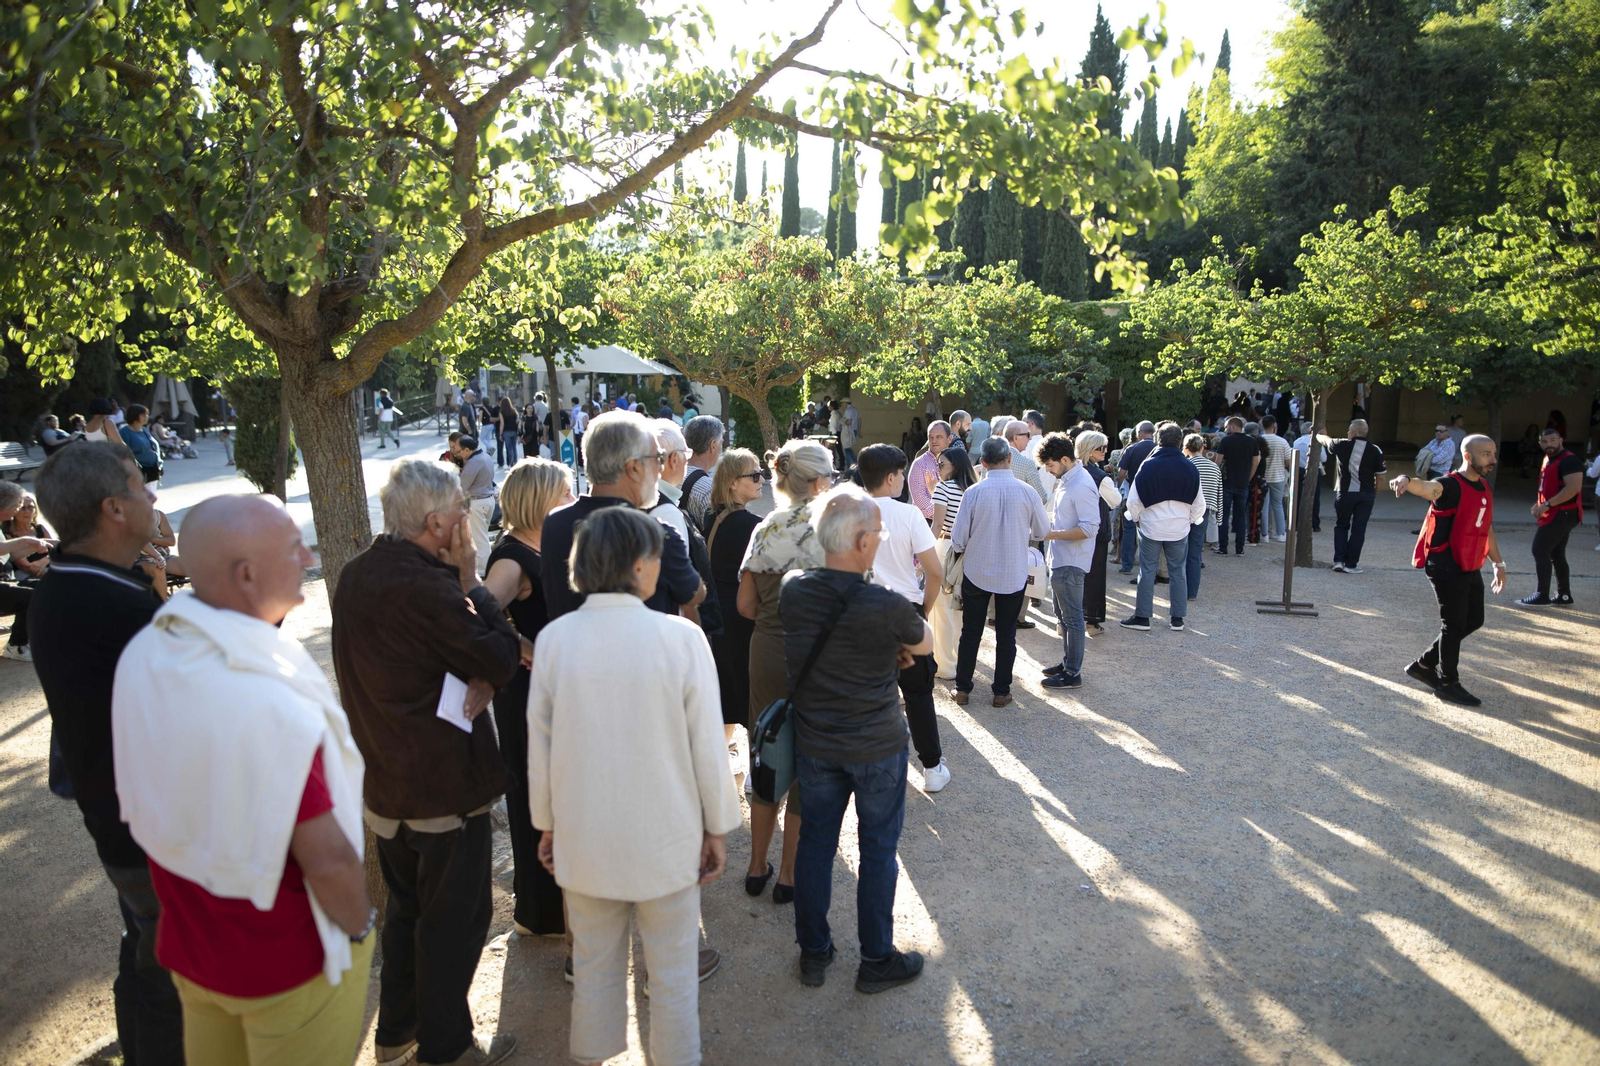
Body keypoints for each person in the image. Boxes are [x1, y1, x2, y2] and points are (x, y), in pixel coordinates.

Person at [113, 495, 374, 1066]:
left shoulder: (150, 652)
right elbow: (327, 858)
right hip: (287, 963)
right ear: (247, 574)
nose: (307, 554)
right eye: (292, 548)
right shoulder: (259, 697)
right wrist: (360, 929)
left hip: (192, 947)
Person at [528, 507, 740, 1066]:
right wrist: (718, 825)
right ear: (644, 566)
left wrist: (546, 824)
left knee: (595, 972)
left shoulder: (553, 641)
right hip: (668, 836)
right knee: (672, 976)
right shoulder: (682, 639)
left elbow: (541, 747)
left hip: (584, 833)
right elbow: (706, 747)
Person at [331, 459, 522, 1066]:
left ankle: (397, 1035)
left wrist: (479, 668)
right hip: (440, 785)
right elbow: (498, 657)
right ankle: (446, 1048)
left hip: (388, 782)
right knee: (455, 920)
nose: (468, 523)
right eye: (462, 515)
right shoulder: (432, 585)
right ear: (437, 523)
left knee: (410, 912)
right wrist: (470, 583)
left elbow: (432, 659)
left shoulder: (359, 571)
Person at [28, 442, 184, 1063]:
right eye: (139, 486)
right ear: (114, 509)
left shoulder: (69, 580)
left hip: (121, 824)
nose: (152, 495)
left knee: (148, 960)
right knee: (177, 984)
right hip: (154, 836)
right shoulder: (115, 607)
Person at [781, 486, 932, 993]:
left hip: (818, 742)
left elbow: (826, 645)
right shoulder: (884, 604)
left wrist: (886, 649)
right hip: (876, 744)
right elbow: (924, 642)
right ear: (865, 542)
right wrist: (892, 651)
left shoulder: (793, 590)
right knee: (878, 850)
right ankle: (876, 959)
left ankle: (813, 951)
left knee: (815, 845)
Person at [482, 458, 574, 940]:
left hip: (547, 691)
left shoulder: (540, 544)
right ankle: (540, 914)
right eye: (564, 492)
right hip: (527, 696)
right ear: (539, 498)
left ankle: (554, 908)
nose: (572, 499)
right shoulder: (512, 555)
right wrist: (519, 645)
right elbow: (477, 610)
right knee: (537, 795)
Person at [737, 440, 833, 901]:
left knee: (767, 752)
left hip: (769, 648)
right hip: (820, 656)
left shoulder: (765, 527)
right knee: (808, 761)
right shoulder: (837, 528)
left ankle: (756, 866)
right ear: (817, 481)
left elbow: (745, 605)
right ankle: (790, 874)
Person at [540, 412, 705, 624]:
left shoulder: (553, 523)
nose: (661, 467)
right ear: (634, 468)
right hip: (640, 654)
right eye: (657, 458)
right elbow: (695, 594)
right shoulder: (656, 534)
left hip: (567, 653)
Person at [858, 445, 949, 794]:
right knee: (917, 692)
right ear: (893, 477)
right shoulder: (909, 515)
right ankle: (932, 767)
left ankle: (870, 768)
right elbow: (935, 572)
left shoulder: (847, 513)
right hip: (904, 610)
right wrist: (923, 610)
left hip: (862, 611)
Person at [1391, 435, 1507, 707]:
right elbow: (1428, 487)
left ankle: (1423, 666)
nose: (1493, 459)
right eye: (1486, 454)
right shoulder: (1450, 485)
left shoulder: (1484, 488)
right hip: (1445, 564)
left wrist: (1498, 563)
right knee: (1453, 625)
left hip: (1469, 561)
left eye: (1493, 453)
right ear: (1469, 456)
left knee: (1474, 620)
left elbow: (1485, 527)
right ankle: (1447, 683)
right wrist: (1407, 481)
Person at [949, 437, 1049, 708]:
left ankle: (962, 688)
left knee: (971, 632)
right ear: (1009, 459)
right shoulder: (1028, 492)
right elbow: (1042, 531)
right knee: (1006, 634)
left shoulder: (973, 493)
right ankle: (1001, 691)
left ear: (982, 463)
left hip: (977, 570)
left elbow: (958, 540)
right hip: (1012, 571)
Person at [704, 448, 765, 750]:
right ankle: (757, 772)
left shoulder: (710, 516)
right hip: (742, 617)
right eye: (753, 475)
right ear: (732, 483)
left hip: (717, 615)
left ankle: (717, 760)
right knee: (752, 697)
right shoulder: (751, 525)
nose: (761, 478)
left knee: (725, 694)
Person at [1122, 424, 1205, 632]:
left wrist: (1137, 518)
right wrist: (1190, 519)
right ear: (1180, 442)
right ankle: (1177, 618)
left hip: (1151, 526)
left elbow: (1133, 500)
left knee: (1147, 570)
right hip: (1179, 527)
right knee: (1178, 571)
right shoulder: (1190, 467)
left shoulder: (1148, 465)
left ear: (1158, 440)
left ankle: (1142, 617)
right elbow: (1199, 503)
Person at [1037, 433, 1099, 688]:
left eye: (1050, 466)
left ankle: (1073, 672)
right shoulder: (1068, 480)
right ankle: (1067, 663)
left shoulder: (1081, 484)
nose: (1049, 471)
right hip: (1062, 557)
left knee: (1072, 618)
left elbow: (1090, 528)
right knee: (1063, 616)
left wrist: (1051, 533)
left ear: (1064, 459)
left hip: (1072, 560)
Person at [649, 419, 722, 635]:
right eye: (685, 456)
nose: (687, 462)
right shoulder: (665, 513)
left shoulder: (656, 502)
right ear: (673, 460)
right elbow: (680, 587)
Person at [1515, 427, 1584, 607]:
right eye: (1545, 442)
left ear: (1560, 440)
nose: (1549, 444)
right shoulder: (1549, 459)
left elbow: (1573, 488)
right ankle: (1564, 595)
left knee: (1540, 550)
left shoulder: (1570, 460)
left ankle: (1542, 595)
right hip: (1558, 511)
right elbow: (1549, 486)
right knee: (1556, 553)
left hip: (1564, 513)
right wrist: (1540, 503)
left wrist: (1547, 504)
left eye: (1552, 440)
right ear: (1540, 443)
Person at [928, 444, 976, 678]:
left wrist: (921, 554)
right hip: (971, 550)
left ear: (953, 465)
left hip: (946, 547)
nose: (938, 467)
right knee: (961, 609)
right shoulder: (974, 488)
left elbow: (937, 526)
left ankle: (946, 665)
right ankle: (961, 662)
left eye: (941, 463)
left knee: (942, 608)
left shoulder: (943, 488)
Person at [1329, 419, 1386, 574]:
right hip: (1366, 494)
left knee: (1341, 526)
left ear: (1352, 432)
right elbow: (1380, 477)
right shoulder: (1375, 450)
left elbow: (1325, 440)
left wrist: (1319, 434)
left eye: (1349, 430)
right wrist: (1376, 492)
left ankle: (1339, 561)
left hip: (1345, 492)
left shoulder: (1341, 444)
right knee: (1359, 530)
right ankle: (1351, 564)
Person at [1075, 432, 1116, 630]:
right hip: (1096, 530)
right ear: (1090, 450)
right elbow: (1115, 500)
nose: (1104, 451)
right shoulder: (1100, 477)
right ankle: (1090, 620)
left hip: (1072, 528)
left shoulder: (1071, 470)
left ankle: (1067, 619)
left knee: (1071, 574)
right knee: (1094, 576)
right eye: (1101, 448)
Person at [1213, 416, 1258, 557]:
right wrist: (1248, 478)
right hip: (1243, 482)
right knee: (1240, 516)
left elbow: (1218, 462)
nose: (1225, 429)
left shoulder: (1226, 440)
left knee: (1223, 516)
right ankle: (1240, 548)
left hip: (1227, 482)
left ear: (1232, 426)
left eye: (1226, 427)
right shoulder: (1252, 441)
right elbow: (1255, 462)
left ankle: (1223, 547)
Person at [1184, 433, 1221, 603]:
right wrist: (1219, 518)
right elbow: (1218, 494)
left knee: (1180, 549)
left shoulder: (1186, 464)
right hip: (1204, 511)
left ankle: (1180, 588)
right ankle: (1192, 592)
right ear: (1202, 447)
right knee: (1195, 550)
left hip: (1185, 510)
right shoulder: (1214, 467)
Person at [1116, 422, 1157, 574]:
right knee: (1151, 529)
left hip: (1134, 492)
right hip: (1154, 494)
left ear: (1139, 433)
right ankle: (1149, 566)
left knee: (1129, 528)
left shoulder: (1132, 449)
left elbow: (1121, 474)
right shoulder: (1157, 449)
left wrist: (1121, 486)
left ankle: (1127, 565)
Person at [455, 435, 498, 574]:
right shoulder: (486, 456)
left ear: (467, 450)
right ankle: (484, 568)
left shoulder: (474, 462)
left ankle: (482, 570)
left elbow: (462, 485)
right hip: (487, 500)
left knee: (480, 539)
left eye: (460, 451)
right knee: (482, 536)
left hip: (478, 503)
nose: (458, 454)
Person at [681, 415, 725, 530]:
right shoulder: (710, 488)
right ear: (713, 445)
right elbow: (716, 536)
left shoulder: (672, 475)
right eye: (721, 443)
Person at [1257, 415, 1292, 542]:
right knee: (1277, 505)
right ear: (1274, 426)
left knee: (1264, 507)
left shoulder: (1259, 440)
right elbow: (1288, 461)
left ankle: (1264, 535)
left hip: (1263, 477)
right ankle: (1281, 533)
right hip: (1278, 476)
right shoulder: (1282, 442)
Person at [908, 420, 952, 521]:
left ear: (950, 438)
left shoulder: (957, 461)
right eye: (931, 437)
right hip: (927, 523)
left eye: (938, 437)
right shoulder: (920, 464)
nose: (934, 441)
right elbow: (921, 502)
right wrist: (947, 513)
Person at [1004, 419, 1048, 502]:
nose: (1030, 438)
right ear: (1016, 437)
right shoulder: (1027, 464)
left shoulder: (991, 460)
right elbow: (1041, 497)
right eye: (1028, 435)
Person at [1291, 424, 1324, 533]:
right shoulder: (1317, 441)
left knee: (1298, 496)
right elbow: (1324, 458)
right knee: (1315, 496)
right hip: (1314, 469)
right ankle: (1315, 524)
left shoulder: (1297, 442)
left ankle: (1296, 522)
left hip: (1300, 469)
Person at [120, 404, 164, 484]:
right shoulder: (124, 432)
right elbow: (123, 452)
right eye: (143, 415)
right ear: (135, 415)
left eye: (147, 414)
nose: (146, 417)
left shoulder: (144, 430)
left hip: (153, 470)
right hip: (138, 472)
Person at [497, 398, 521, 467]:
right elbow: (517, 421)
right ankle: (515, 461)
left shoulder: (501, 412)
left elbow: (502, 424)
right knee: (514, 447)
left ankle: (511, 462)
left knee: (509, 447)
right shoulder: (514, 411)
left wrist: (500, 434)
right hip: (514, 430)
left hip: (506, 431)